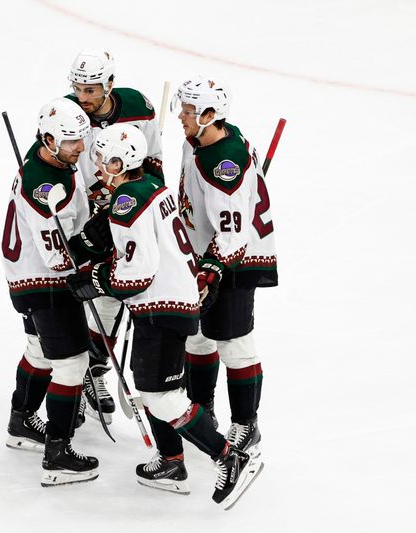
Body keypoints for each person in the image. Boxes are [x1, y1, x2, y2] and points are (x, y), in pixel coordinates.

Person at [65, 123, 263, 506]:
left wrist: (96, 277)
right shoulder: (152, 190)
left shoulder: (127, 202)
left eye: (103, 157)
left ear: (120, 161)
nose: (97, 163)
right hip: (173, 303)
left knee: (162, 395)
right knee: (153, 391)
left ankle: (229, 458)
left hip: (162, 308)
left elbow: (138, 273)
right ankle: (171, 462)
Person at [1, 97, 113, 486]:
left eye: (82, 139)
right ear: (48, 139)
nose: (80, 148)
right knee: (72, 364)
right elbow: (59, 258)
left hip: (23, 275)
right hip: (46, 282)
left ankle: (21, 422)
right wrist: (94, 238)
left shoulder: (47, 158)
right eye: (71, 142)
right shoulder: (44, 184)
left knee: (38, 351)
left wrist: (91, 207)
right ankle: (58, 452)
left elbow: (68, 210)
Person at [172, 76, 278, 457]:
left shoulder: (223, 163)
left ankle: (246, 425)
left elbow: (233, 235)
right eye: (182, 108)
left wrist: (210, 270)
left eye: (188, 110)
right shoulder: (204, 139)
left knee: (235, 344)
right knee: (198, 339)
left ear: (210, 115)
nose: (181, 117)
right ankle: (205, 413)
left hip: (231, 261)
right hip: (204, 256)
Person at [64, 49, 165, 425]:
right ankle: (81, 378)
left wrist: (142, 197)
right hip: (89, 219)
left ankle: (94, 372)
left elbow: (154, 161)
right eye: (78, 88)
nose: (84, 97)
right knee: (92, 299)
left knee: (121, 292)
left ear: (109, 84)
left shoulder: (139, 106)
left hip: (128, 214)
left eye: (91, 89)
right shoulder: (70, 114)